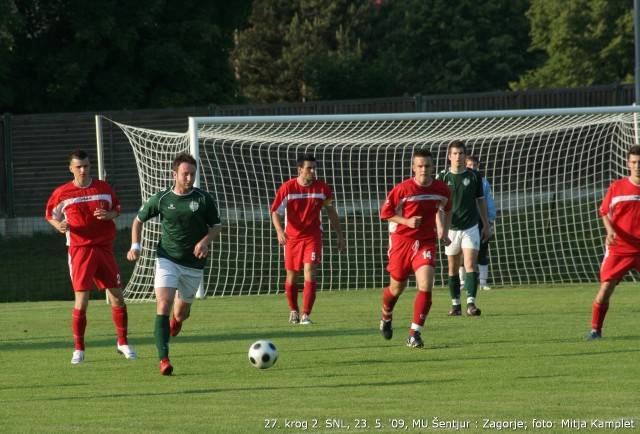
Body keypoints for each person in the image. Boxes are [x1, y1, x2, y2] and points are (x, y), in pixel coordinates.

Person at [128, 152, 222, 375]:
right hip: (166, 259)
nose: (189, 178)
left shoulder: (203, 199)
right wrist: (135, 246)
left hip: (193, 265)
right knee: (163, 304)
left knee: (180, 313)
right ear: (174, 174)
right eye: (185, 174)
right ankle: (164, 360)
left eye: (192, 174)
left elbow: (217, 225)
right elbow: (138, 221)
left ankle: (177, 321)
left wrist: (204, 241)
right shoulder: (162, 199)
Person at [45, 149, 138, 364]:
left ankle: (122, 342)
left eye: (86, 165)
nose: (83, 170)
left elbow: (117, 208)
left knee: (117, 295)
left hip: (104, 248)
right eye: (78, 166)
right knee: (83, 300)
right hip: (80, 251)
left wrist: (109, 215)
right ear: (71, 169)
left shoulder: (102, 188)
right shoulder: (62, 193)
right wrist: (60, 225)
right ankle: (79, 348)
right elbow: (51, 215)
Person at [379, 149, 452, 348]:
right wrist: (406, 221)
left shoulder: (441, 189)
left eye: (427, 166)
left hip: (426, 242)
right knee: (396, 288)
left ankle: (414, 334)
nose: (424, 170)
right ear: (413, 168)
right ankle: (386, 315)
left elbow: (447, 209)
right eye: (420, 166)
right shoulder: (403, 190)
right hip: (401, 241)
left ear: (433, 167)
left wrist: (444, 231)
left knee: (426, 283)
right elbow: (385, 213)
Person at [271, 154, 346, 325]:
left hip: (313, 237)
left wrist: (340, 234)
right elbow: (275, 212)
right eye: (309, 168)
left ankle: (306, 314)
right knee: (292, 277)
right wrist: (279, 231)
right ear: (300, 169)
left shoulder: (322, 189)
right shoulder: (288, 188)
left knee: (310, 272)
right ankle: (293, 310)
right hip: (292, 239)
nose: (312, 171)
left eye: (314, 168)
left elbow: (331, 211)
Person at [587, 145, 640, 340]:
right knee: (606, 286)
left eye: (639, 162)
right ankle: (595, 330)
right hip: (620, 248)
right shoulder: (617, 187)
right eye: (634, 162)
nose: (637, 166)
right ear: (628, 164)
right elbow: (604, 212)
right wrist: (609, 232)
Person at [436, 140, 491, 317]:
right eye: (455, 153)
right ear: (449, 156)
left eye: (461, 153)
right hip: (451, 228)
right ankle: (455, 305)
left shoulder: (474, 176)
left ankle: (471, 304)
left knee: (469, 263)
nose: (458, 156)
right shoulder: (443, 177)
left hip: (471, 227)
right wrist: (440, 228)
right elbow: (437, 205)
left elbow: (481, 201)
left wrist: (487, 225)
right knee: (453, 267)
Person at [458, 155, 497, 291]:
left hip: (480, 221)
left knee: (482, 250)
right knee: (462, 252)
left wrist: (490, 221)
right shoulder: (459, 180)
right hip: (465, 221)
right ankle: (462, 282)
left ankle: (483, 282)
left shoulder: (484, 183)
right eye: (469, 165)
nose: (472, 168)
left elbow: (488, 202)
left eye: (474, 165)